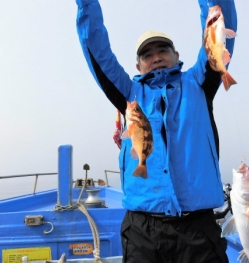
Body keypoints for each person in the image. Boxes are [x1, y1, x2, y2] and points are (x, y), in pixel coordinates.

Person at [75, 0, 237, 262]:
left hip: (199, 229)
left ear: (176, 55)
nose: (156, 57)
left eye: (163, 50)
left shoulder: (199, 82)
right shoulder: (129, 94)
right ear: (138, 66)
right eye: (147, 55)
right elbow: (97, 49)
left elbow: (220, 27)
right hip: (143, 231)